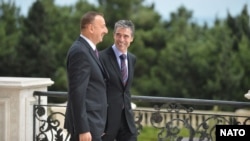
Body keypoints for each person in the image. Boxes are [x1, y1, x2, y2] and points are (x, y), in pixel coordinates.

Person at [64, 11, 109, 141]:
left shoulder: (89, 50)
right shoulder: (80, 52)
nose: (106, 30)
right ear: (91, 28)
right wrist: (83, 129)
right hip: (87, 126)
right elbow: (77, 93)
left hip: (94, 124)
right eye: (103, 26)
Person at [99, 20, 137, 141]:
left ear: (132, 38)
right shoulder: (101, 57)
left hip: (127, 121)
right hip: (107, 122)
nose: (121, 39)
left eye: (126, 36)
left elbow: (125, 90)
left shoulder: (132, 59)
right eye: (118, 35)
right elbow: (97, 90)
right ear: (113, 35)